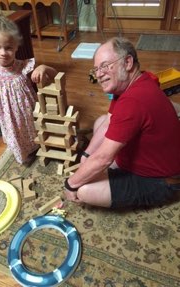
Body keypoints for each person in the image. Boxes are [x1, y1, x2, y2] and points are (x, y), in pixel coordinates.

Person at [64, 36, 180, 209]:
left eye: (104, 66)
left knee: (84, 190)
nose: (99, 74)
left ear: (127, 62)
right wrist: (86, 155)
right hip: (159, 156)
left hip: (162, 181)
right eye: (96, 69)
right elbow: (109, 122)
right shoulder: (137, 82)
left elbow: (103, 158)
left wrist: (70, 183)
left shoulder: (133, 101)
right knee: (101, 121)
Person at [0, 14, 57, 164]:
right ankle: (24, 155)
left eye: (8, 47)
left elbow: (55, 75)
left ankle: (38, 146)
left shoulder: (23, 65)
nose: (3, 52)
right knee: (16, 132)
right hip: (8, 113)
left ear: (16, 47)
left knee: (32, 127)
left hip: (28, 109)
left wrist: (43, 67)